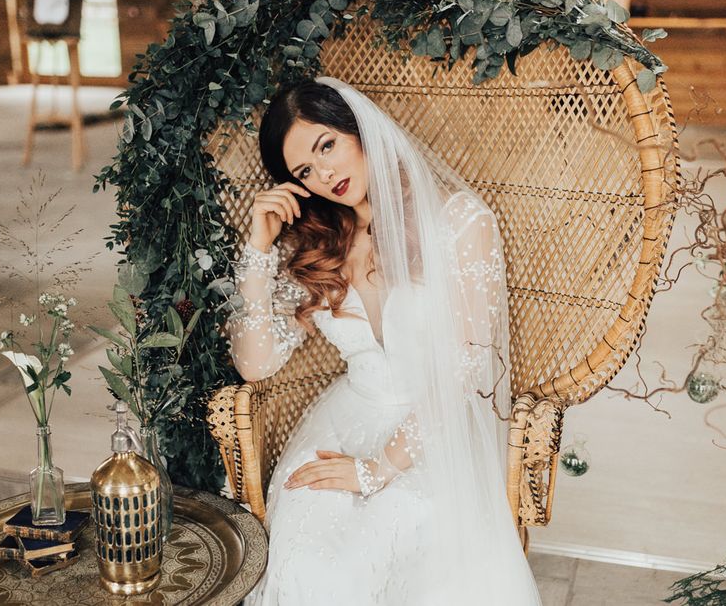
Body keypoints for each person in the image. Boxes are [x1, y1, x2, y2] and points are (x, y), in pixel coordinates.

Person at [224, 76, 542, 605]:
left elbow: (462, 371)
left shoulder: (460, 223)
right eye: (304, 170)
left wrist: (379, 469)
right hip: (346, 422)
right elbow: (256, 365)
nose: (324, 173)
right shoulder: (317, 245)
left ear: (360, 130)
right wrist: (258, 251)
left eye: (327, 145)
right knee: (307, 559)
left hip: (438, 428)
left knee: (387, 536)